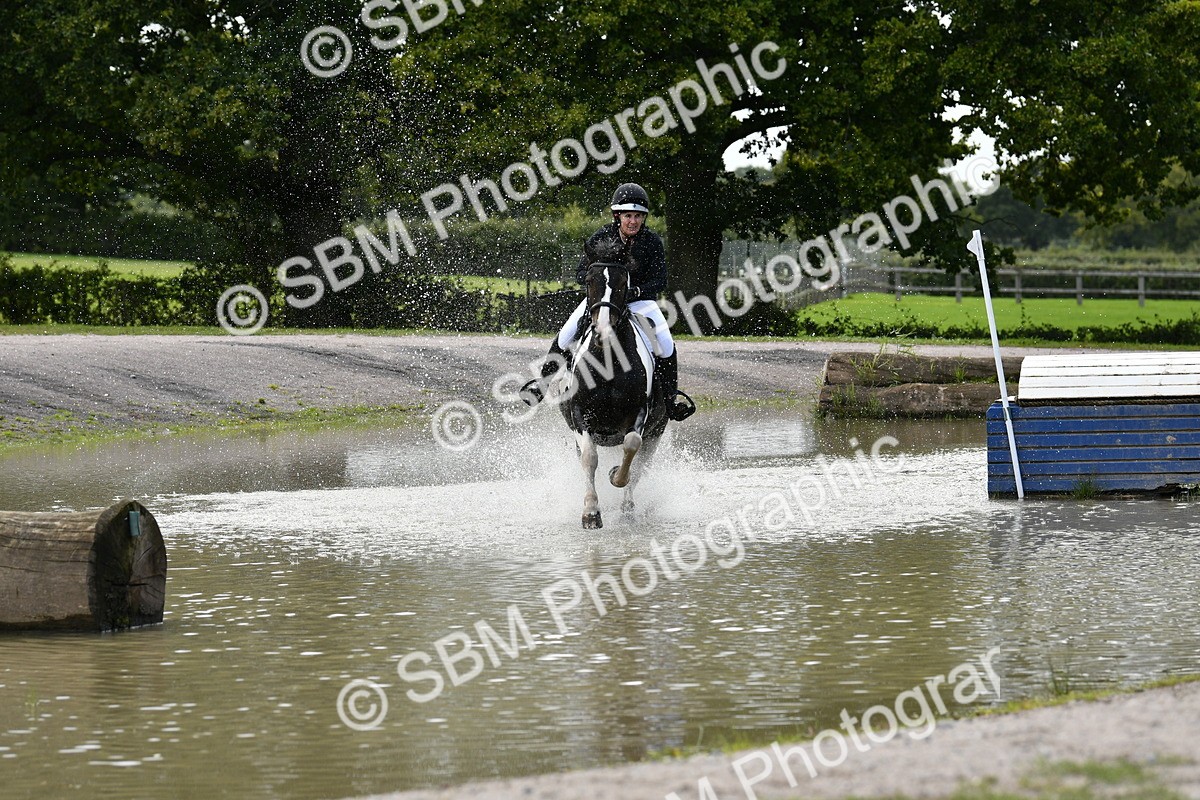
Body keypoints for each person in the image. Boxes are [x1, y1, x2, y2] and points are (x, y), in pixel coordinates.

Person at [520, 182, 694, 421]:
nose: (633, 221)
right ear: (617, 216)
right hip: (603, 301)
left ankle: (670, 400)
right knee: (566, 334)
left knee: (665, 344)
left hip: (640, 302)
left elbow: (660, 280)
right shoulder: (602, 236)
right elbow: (581, 272)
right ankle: (542, 384)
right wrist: (598, 285)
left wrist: (635, 291)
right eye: (628, 216)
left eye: (638, 216)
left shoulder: (651, 241)